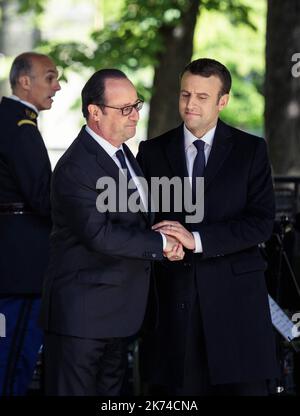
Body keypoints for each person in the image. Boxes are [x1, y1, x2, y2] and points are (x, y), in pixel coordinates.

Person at [137, 58, 279, 396]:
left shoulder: (251, 151)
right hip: (172, 301)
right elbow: (140, 219)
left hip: (235, 304)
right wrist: (160, 243)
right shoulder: (152, 152)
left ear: (223, 101)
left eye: (202, 97)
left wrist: (196, 239)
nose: (190, 104)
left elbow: (261, 223)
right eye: (185, 94)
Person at [39, 68, 184, 396]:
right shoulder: (77, 166)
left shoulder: (124, 155)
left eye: (137, 105)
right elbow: (99, 234)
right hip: (82, 319)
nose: (134, 115)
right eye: (125, 109)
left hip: (120, 316)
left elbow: (134, 220)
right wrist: (161, 244)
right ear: (94, 113)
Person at [0, 52, 61, 395]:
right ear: (25, 81)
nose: (58, 86)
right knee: (14, 356)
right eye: (50, 78)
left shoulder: (9, 119)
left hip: (11, 258)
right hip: (21, 266)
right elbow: (42, 196)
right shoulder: (20, 124)